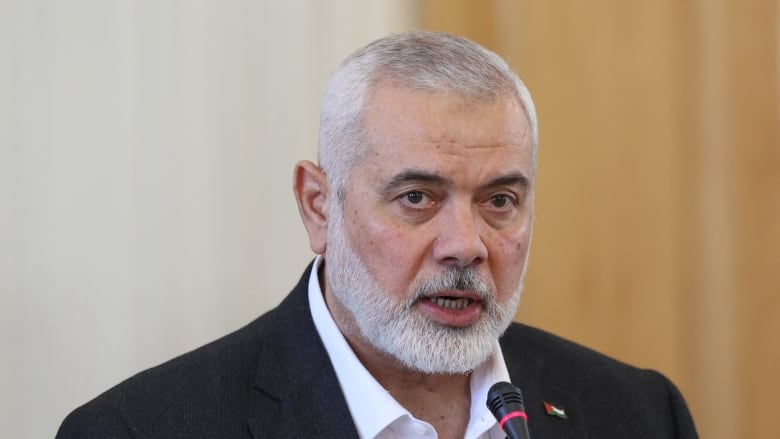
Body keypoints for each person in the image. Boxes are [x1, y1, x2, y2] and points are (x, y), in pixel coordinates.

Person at [57, 31, 698, 439]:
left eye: (500, 201)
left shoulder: (639, 414)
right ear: (318, 208)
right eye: (416, 198)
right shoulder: (140, 429)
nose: (465, 244)